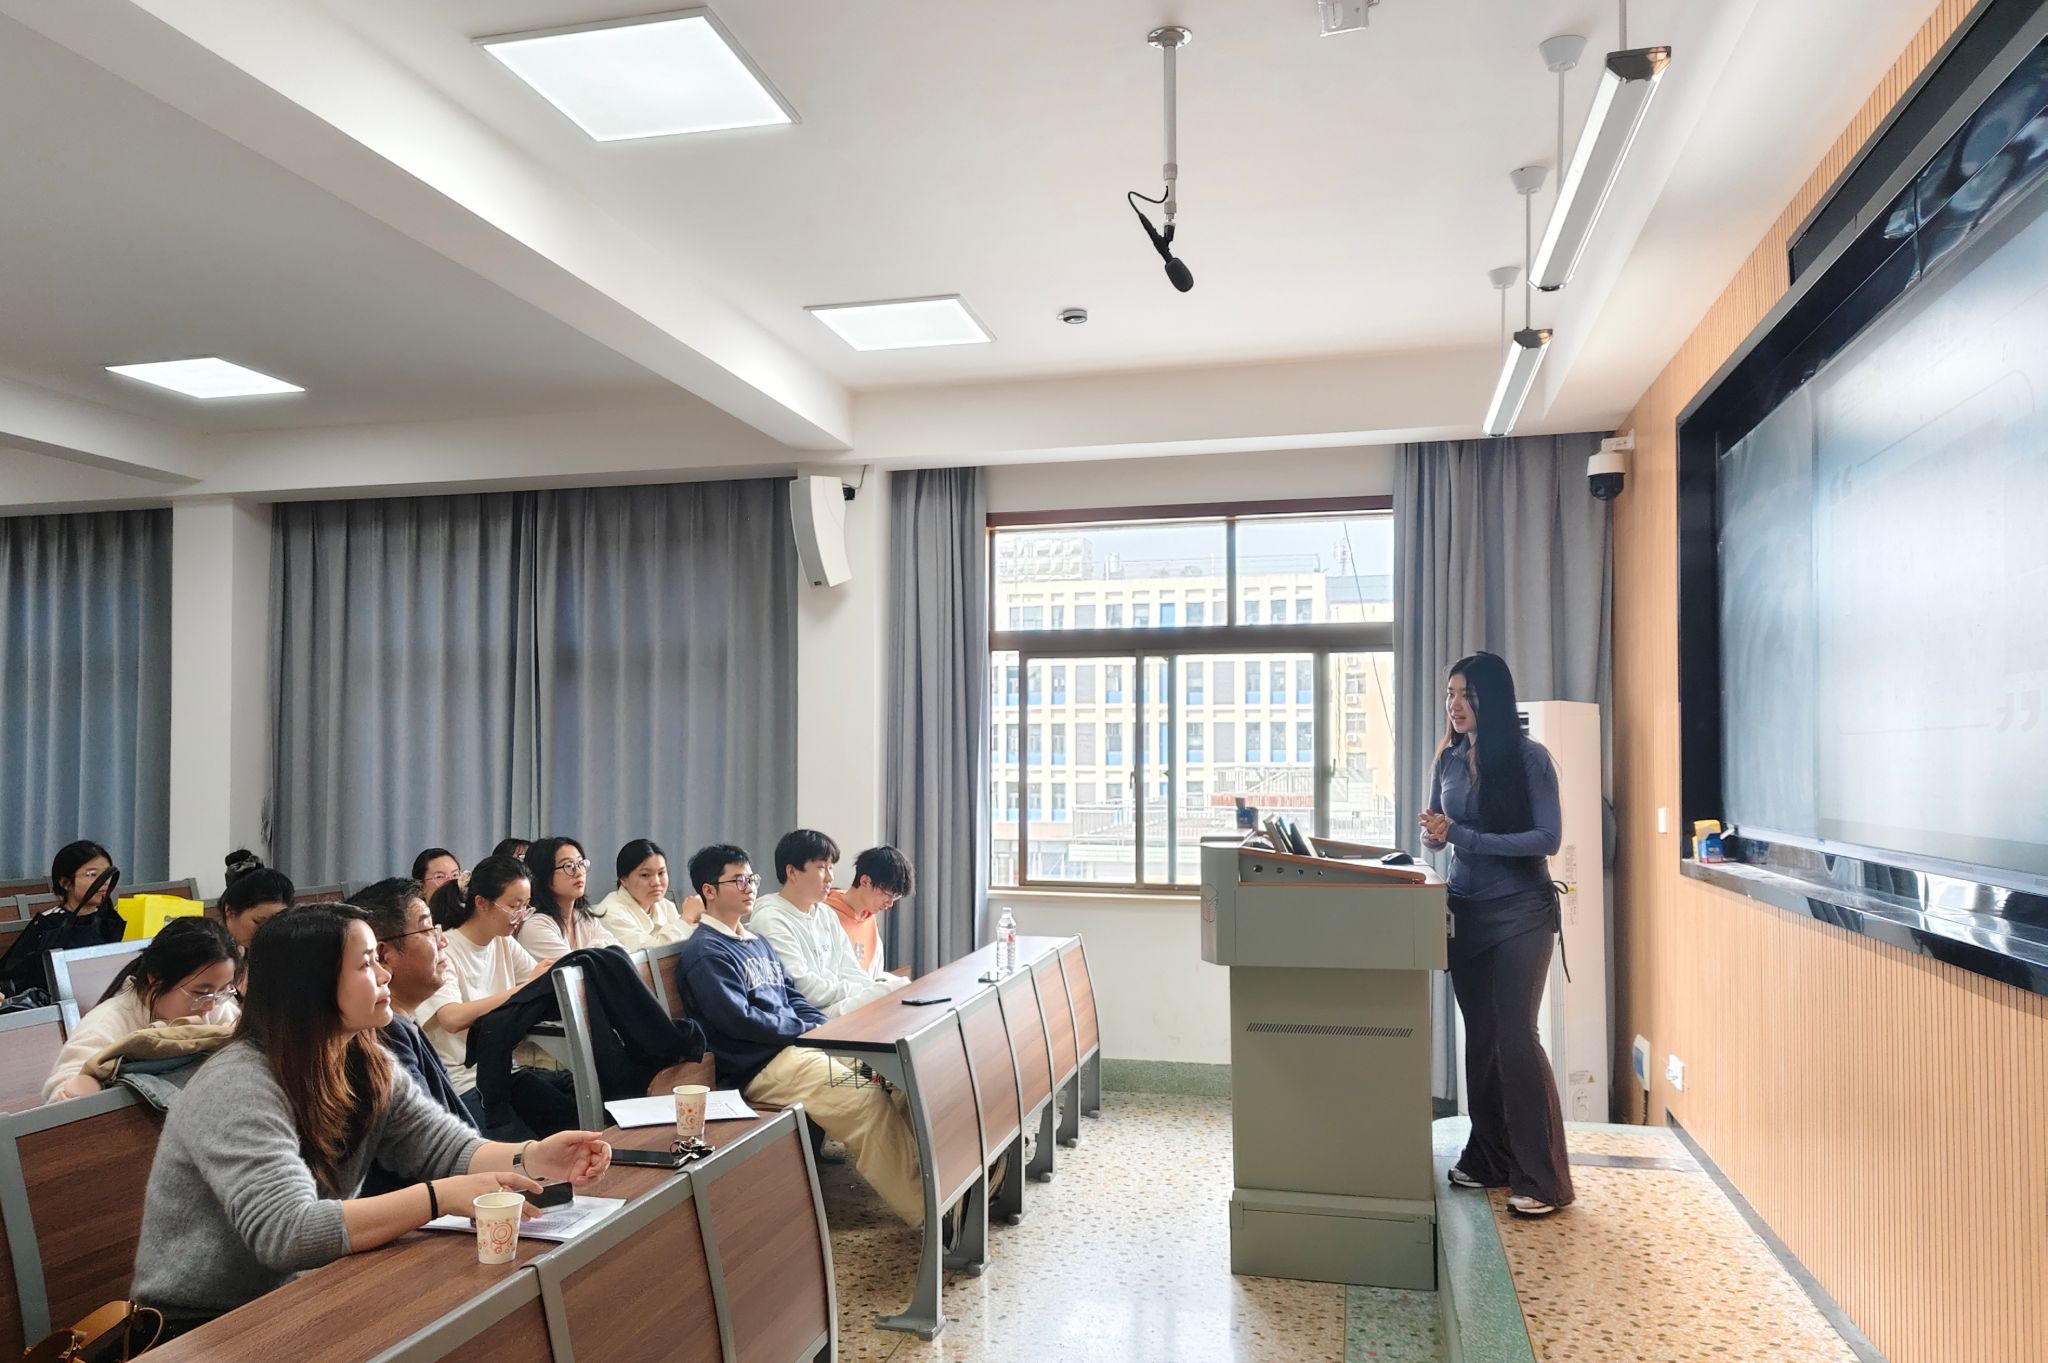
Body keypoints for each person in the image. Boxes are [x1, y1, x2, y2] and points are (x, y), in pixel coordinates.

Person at [129, 906, 610, 1337]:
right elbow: (287, 1232)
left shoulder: (363, 1059)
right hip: (200, 1327)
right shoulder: (238, 1084)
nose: (385, 974)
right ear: (312, 985)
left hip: (302, 1296)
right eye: (365, 964)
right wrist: (438, 1198)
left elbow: (445, 1149)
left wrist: (533, 1156)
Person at [674, 844, 924, 1225]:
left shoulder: (754, 942)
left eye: (751, 878)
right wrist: (804, 1030)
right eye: (738, 880)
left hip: (800, 1049)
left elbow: (792, 997)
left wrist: (821, 1029)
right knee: (865, 1100)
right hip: (764, 1066)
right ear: (709, 890)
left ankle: (937, 1180)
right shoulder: (707, 952)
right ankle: (928, 1210)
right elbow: (740, 1021)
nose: (749, 887)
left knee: (895, 1076)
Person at [1420, 651, 1573, 1217]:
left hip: (1521, 914)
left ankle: (1543, 1178)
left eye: (1467, 695)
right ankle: (1489, 1158)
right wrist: (1435, 835)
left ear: (1494, 700)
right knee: (1481, 1039)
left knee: (1515, 1036)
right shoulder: (1448, 758)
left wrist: (1463, 835)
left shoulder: (1531, 759)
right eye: (1451, 694)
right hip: (1466, 912)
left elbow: (1547, 838)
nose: (1455, 704)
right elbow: (1439, 828)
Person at [43, 917, 240, 1102]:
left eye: (222, 991)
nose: (211, 1005)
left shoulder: (217, 1010)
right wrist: (84, 1089)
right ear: (155, 978)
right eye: (200, 993)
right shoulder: (106, 1023)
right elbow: (59, 1099)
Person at [418, 856, 554, 1120]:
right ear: (481, 903)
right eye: (513, 906)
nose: (520, 916)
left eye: (525, 906)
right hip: (463, 1082)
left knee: (573, 1114)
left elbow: (538, 982)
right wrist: (523, 989)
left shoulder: (502, 941)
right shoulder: (446, 948)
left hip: (503, 1071)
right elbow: (451, 1018)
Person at [351, 877, 472, 1127]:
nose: (443, 941)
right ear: (384, 956)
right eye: (427, 930)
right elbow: (431, 1140)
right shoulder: (387, 1036)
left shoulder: (402, 1022)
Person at [753, 830, 907, 1016]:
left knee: (900, 989)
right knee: (894, 992)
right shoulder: (770, 919)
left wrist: (865, 988)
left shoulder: (825, 913)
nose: (830, 878)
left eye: (831, 868)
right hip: (809, 1013)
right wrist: (858, 990)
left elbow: (851, 969)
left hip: (839, 1002)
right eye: (821, 868)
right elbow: (801, 988)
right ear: (792, 872)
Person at [0, 840, 123, 1003]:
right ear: (65, 883)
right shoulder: (49, 925)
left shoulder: (110, 920)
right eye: (92, 875)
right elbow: (15, 977)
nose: (104, 882)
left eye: (107, 874)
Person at [518, 836, 618, 961]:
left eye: (581, 864)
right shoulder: (535, 926)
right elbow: (575, 968)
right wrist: (599, 948)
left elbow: (620, 952)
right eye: (568, 866)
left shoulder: (584, 917)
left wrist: (593, 952)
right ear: (543, 874)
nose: (579, 872)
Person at [825, 845, 915, 976]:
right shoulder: (825, 915)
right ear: (865, 881)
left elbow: (875, 973)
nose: (890, 904)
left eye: (895, 897)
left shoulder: (869, 919)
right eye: (887, 894)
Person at [592, 838, 696, 951]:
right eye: (645, 875)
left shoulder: (665, 905)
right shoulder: (610, 913)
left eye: (661, 873)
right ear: (623, 879)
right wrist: (687, 919)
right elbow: (653, 954)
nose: (656, 882)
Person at [218, 850, 296, 951]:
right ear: (229, 911)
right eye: (258, 922)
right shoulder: (206, 952)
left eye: (277, 925)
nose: (267, 933)